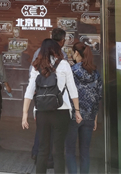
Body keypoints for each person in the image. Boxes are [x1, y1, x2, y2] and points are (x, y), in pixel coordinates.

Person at [23, 39, 82, 174]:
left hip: (42, 112)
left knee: (43, 149)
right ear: (56, 50)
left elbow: (30, 90)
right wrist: (77, 110)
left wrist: (25, 113)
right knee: (58, 151)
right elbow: (72, 89)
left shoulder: (37, 65)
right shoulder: (64, 64)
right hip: (61, 111)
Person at [31, 28, 68, 164]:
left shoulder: (38, 52)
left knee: (42, 127)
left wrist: (36, 91)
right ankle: (49, 158)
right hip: (54, 96)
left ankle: (37, 153)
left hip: (40, 95)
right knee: (53, 129)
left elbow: (32, 73)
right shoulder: (62, 55)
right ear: (62, 40)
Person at [65, 41, 102, 174]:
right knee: (85, 152)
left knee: (70, 150)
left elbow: (66, 93)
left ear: (76, 53)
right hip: (89, 116)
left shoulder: (72, 71)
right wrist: (95, 117)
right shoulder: (95, 73)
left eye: (72, 52)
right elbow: (98, 96)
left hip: (74, 116)